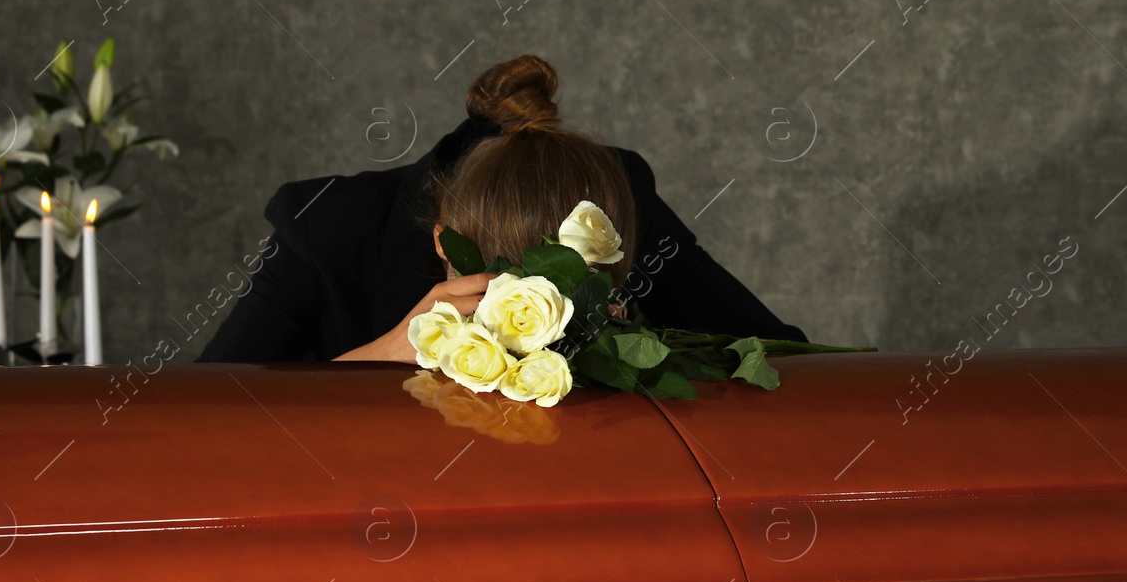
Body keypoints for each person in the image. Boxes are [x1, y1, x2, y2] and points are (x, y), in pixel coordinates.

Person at [197, 55, 805, 363]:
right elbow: (202, 416)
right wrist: (373, 359)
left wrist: (645, 351)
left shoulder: (614, 203)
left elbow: (779, 359)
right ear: (442, 244)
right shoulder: (329, 228)